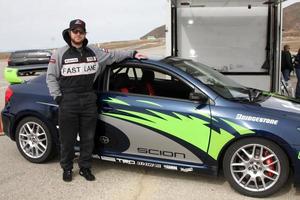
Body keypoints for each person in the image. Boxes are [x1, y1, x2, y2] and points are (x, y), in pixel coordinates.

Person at [46, 19, 146, 182]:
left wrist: (133, 53)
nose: (78, 34)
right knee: (68, 139)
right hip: (68, 101)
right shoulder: (59, 53)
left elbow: (113, 56)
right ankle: (67, 168)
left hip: (88, 99)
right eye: (75, 31)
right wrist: (58, 97)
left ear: (85, 33)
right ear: (69, 32)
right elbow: (51, 77)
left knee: (88, 138)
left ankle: (85, 168)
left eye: (81, 31)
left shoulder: (94, 51)